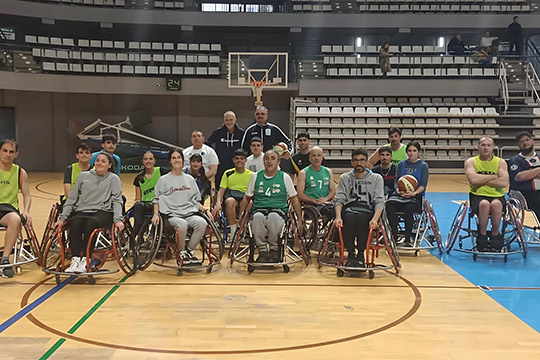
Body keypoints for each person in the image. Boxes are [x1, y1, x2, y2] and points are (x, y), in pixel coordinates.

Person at [55, 152, 124, 273]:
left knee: (91, 223)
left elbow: (117, 201)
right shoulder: (83, 176)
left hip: (103, 211)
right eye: (98, 160)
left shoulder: (113, 179)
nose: (100, 163)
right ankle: (75, 259)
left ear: (109, 165)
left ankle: (86, 259)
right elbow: (72, 198)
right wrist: (62, 218)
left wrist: (118, 220)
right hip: (83, 210)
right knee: (74, 222)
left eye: (103, 161)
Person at [239, 149, 302, 263]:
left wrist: (300, 220)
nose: (269, 161)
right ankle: (262, 250)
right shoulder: (256, 176)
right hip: (259, 209)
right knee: (257, 218)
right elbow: (246, 198)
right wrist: (241, 217)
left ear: (278, 162)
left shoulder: (284, 177)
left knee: (273, 217)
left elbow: (294, 199)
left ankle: (274, 249)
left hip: (278, 211)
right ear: (263, 162)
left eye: (273, 158)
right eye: (267, 158)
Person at [152, 147, 212, 265]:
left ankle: (189, 250)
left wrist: (205, 209)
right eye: (173, 158)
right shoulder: (163, 180)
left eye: (179, 157)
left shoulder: (189, 179)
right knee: (182, 225)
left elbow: (194, 201)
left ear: (182, 160)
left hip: (189, 213)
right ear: (170, 161)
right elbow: (156, 199)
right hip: (172, 215)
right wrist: (155, 214)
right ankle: (181, 251)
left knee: (202, 223)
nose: (176, 160)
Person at [334, 148, 385, 267]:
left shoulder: (376, 178)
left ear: (367, 162)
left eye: (362, 160)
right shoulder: (345, 178)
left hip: (367, 209)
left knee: (362, 219)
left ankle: (361, 253)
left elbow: (379, 201)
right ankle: (351, 254)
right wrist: (338, 217)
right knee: (349, 218)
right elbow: (339, 199)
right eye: (355, 160)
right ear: (351, 163)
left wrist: (375, 219)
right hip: (350, 209)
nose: (359, 163)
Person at [465, 137, 509, 251]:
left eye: (489, 145)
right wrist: (494, 177)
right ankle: (482, 235)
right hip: (477, 195)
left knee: (496, 205)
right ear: (478, 147)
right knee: (484, 204)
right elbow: (473, 180)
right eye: (483, 145)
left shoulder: (500, 162)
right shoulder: (471, 161)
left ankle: (496, 235)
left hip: (497, 196)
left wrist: (482, 179)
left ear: (493, 147)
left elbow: (504, 182)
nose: (486, 148)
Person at [386, 141, 429, 247]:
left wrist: (413, 193)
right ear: (406, 152)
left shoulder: (423, 166)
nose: (412, 153)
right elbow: (396, 181)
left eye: (414, 151)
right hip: (400, 195)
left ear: (418, 152)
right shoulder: (401, 164)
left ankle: (408, 237)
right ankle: (394, 236)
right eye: (409, 151)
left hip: (415, 197)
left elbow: (423, 185)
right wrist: (398, 190)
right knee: (389, 205)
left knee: (409, 208)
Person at [0, 139, 32, 278]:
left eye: (11, 152)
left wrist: (26, 211)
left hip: (8, 209)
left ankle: (5, 260)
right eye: (5, 151)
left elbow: (27, 195)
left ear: (16, 154)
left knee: (15, 219)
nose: (8, 154)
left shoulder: (20, 172)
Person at [212, 149, 253, 241]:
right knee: (230, 202)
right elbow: (221, 190)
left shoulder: (252, 175)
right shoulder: (227, 173)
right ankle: (233, 230)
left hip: (245, 197)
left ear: (245, 160)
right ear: (233, 160)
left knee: (249, 202)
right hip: (231, 196)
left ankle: (241, 230)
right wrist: (218, 203)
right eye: (237, 158)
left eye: (242, 158)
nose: (239, 161)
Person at [132, 151, 169, 237]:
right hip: (146, 204)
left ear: (154, 161)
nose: (148, 161)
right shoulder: (139, 178)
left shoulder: (161, 171)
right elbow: (138, 198)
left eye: (150, 159)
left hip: (159, 204)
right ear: (142, 161)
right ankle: (138, 233)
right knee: (138, 206)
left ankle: (153, 235)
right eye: (145, 159)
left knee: (157, 207)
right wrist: (136, 201)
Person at [206, 110, 245, 187]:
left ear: (235, 120)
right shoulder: (218, 132)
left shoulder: (241, 133)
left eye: (231, 120)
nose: (229, 122)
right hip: (221, 165)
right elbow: (207, 144)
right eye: (227, 120)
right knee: (220, 185)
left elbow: (246, 147)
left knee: (235, 185)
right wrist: (214, 157)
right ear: (224, 120)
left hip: (236, 164)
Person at [508, 131, 540, 219]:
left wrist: (529, 173)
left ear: (532, 141)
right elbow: (520, 177)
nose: (525, 143)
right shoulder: (514, 160)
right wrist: (538, 170)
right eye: (522, 141)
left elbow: (525, 175)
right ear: (518, 144)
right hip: (525, 194)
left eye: (527, 140)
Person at [297, 146, 336, 217]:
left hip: (326, 202)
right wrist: (314, 201)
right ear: (309, 158)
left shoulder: (328, 171)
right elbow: (300, 194)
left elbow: (333, 191)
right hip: (310, 205)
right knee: (330, 211)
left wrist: (325, 199)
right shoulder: (303, 173)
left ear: (322, 157)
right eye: (314, 155)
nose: (316, 158)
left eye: (319, 155)